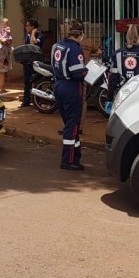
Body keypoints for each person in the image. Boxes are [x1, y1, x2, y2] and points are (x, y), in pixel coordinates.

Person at [51, 19, 88, 171]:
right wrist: (88, 72)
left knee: (70, 123)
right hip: (72, 87)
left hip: (58, 85)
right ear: (80, 34)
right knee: (72, 124)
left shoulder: (57, 45)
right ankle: (68, 160)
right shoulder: (75, 49)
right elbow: (77, 72)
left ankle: (76, 156)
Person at [108, 23, 139, 102]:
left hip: (123, 95)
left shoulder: (117, 54)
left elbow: (113, 79)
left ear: (127, 37)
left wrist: (109, 99)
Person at [20, 19, 44, 108]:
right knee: (27, 82)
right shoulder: (27, 35)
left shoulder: (40, 35)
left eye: (28, 25)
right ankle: (26, 101)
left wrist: (33, 33)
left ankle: (38, 101)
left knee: (37, 81)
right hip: (27, 62)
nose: (26, 27)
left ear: (33, 27)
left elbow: (33, 43)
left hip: (36, 62)